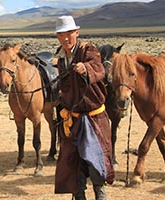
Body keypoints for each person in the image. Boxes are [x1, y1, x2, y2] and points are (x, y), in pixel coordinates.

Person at [53, 15, 114, 200]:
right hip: (72, 118)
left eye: (69, 33)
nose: (65, 38)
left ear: (76, 33)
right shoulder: (61, 57)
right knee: (72, 162)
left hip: (93, 118)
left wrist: (86, 68)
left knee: (96, 160)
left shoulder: (89, 50)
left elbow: (99, 68)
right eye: (61, 34)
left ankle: (100, 194)